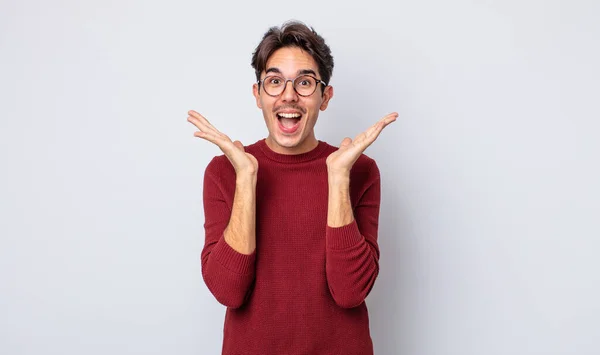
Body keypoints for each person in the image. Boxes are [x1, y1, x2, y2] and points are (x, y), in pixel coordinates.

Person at [187, 20, 397, 355]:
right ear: (257, 95)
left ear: (325, 96)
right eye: (274, 81)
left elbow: (350, 292)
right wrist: (246, 179)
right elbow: (228, 291)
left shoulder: (360, 171)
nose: (289, 95)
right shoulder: (224, 172)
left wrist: (339, 177)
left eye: (304, 82)